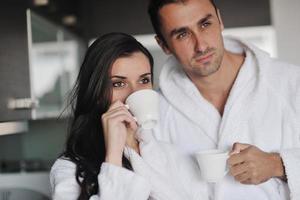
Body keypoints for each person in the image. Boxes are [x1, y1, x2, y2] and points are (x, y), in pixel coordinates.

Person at [148, 0, 300, 199]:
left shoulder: (291, 83)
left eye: (205, 24)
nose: (201, 46)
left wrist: (278, 164)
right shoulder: (155, 113)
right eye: (182, 34)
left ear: (219, 20)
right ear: (163, 45)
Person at [50, 32, 208, 200]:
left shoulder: (170, 155)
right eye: (119, 84)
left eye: (144, 80)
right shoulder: (68, 169)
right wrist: (113, 157)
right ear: (96, 94)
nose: (135, 93)